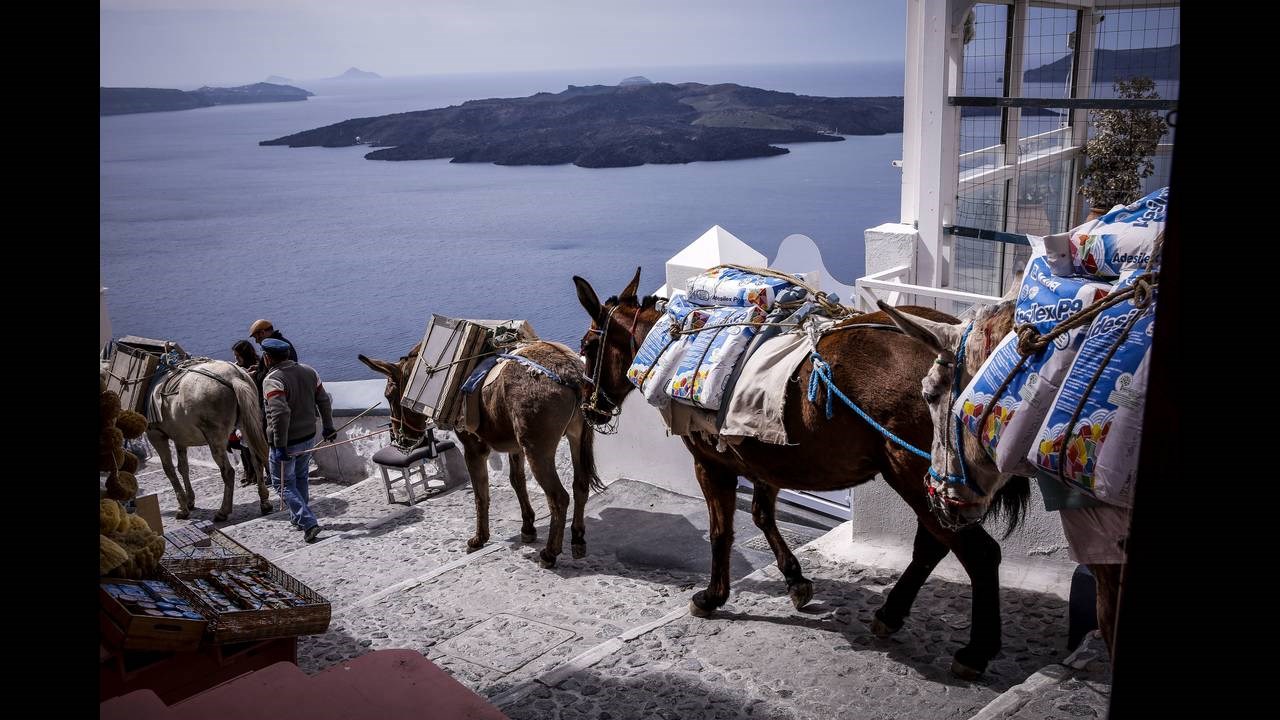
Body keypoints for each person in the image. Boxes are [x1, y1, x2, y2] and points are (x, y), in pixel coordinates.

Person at [261, 338, 336, 543]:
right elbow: (324, 400)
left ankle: (308, 522)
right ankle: (297, 517)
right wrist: (328, 427)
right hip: (308, 436)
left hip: (287, 441)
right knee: (301, 476)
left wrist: (280, 444)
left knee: (282, 484)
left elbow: (280, 413)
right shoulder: (309, 371)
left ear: (267, 358)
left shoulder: (273, 380)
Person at [230, 340, 268, 486]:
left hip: (254, 410)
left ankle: (259, 473)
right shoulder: (237, 369)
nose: (236, 360)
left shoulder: (258, 366)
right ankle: (249, 472)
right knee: (243, 446)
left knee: (254, 444)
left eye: (238, 356)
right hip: (242, 413)